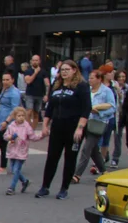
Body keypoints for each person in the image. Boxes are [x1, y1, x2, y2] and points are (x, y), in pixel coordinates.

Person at [36, 60, 91, 199]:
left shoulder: (81, 86)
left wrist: (80, 128)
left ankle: (64, 188)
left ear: (74, 70)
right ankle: (45, 186)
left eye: (67, 69)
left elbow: (86, 109)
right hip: (58, 126)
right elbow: (49, 108)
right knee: (52, 157)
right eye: (62, 70)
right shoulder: (56, 85)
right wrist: (45, 126)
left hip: (73, 126)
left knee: (70, 158)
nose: (64, 72)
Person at [72, 70, 116, 183]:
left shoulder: (107, 91)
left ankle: (77, 175)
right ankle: (104, 170)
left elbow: (112, 108)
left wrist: (99, 112)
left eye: (92, 78)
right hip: (85, 121)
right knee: (94, 149)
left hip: (98, 123)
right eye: (89, 78)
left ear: (99, 79)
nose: (89, 80)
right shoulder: (87, 90)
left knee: (87, 148)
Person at [2, 107, 44, 195]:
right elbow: (6, 136)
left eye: (23, 115)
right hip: (12, 150)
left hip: (21, 151)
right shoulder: (11, 126)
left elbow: (33, 137)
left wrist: (41, 136)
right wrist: (9, 137)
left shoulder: (26, 126)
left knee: (16, 169)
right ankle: (25, 181)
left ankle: (12, 188)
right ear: (14, 117)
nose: (21, 117)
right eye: (19, 116)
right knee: (14, 169)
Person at [0, 71, 23, 175]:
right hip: (0, 120)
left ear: (12, 80)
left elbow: (15, 109)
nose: (5, 82)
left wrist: (7, 121)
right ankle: (8, 164)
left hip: (8, 122)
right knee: (1, 143)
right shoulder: (5, 90)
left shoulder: (14, 93)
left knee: (5, 143)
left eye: (7, 80)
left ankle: (3, 167)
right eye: (3, 80)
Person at [22, 55, 47, 125]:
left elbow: (47, 84)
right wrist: (35, 73)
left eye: (36, 60)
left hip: (39, 95)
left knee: (36, 113)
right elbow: (28, 81)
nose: (35, 62)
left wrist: (46, 94)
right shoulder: (28, 71)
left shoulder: (43, 72)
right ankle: (27, 128)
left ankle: (32, 130)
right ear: (31, 61)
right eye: (33, 60)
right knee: (29, 111)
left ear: (39, 61)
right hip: (30, 94)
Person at [112, 70, 128, 168]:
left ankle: (115, 158)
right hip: (111, 115)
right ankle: (105, 155)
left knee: (118, 138)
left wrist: (119, 92)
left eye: (123, 76)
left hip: (120, 116)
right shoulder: (111, 87)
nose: (121, 78)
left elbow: (125, 103)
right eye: (120, 76)